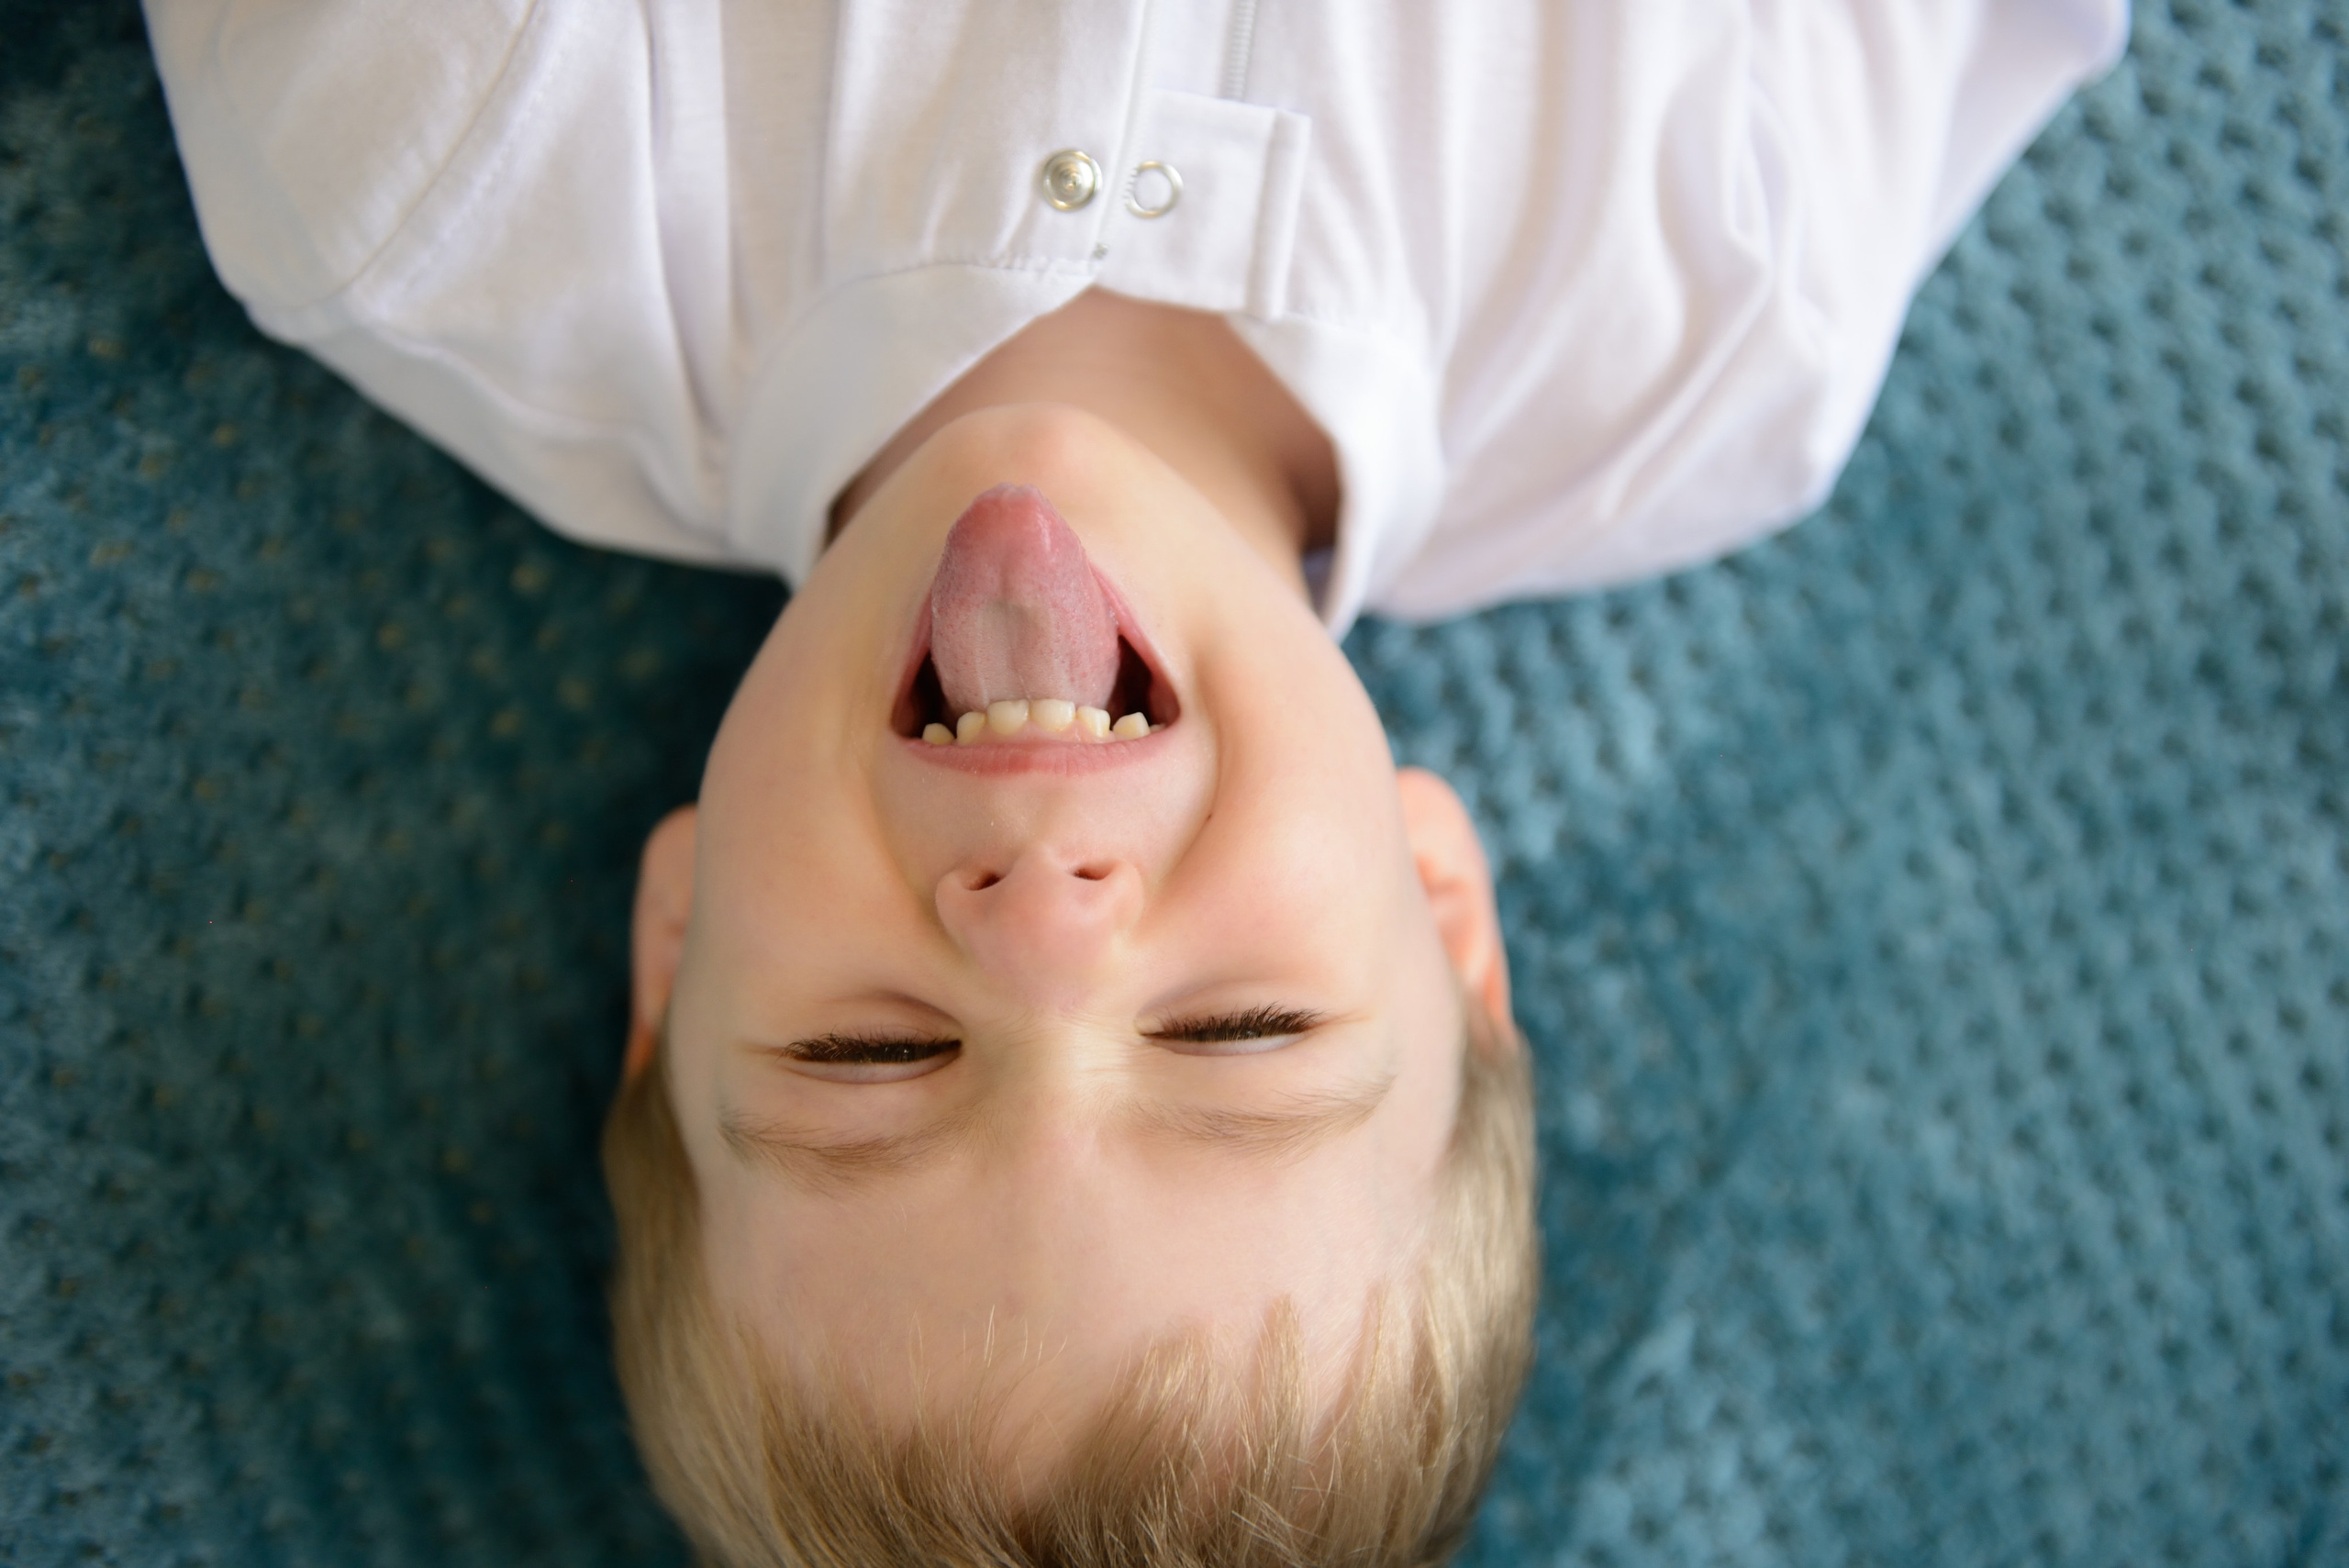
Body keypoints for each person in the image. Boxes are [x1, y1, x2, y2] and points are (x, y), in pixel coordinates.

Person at [143, 4, 2128, 1562]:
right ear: (1446, 922)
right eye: (1235, 1031)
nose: (1043, 924)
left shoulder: (432, 186)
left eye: (870, 1055)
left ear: (674, 947)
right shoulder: (1718, 330)